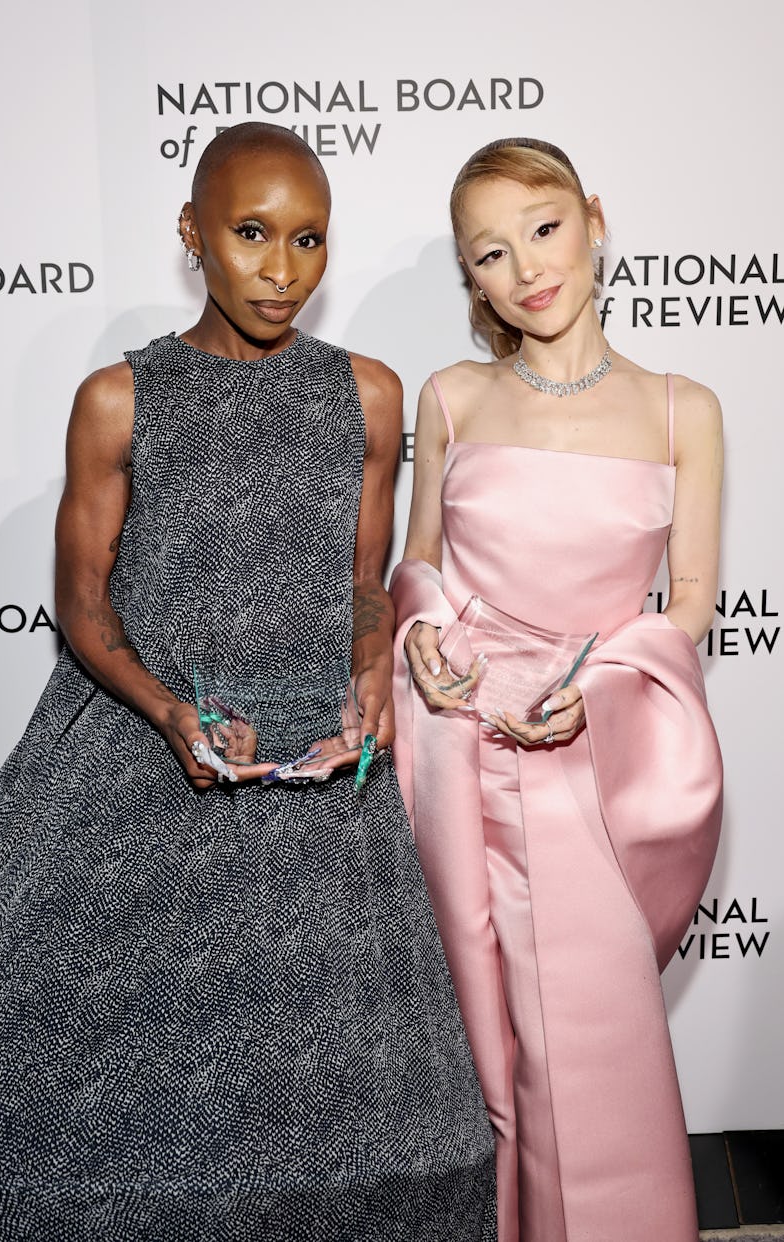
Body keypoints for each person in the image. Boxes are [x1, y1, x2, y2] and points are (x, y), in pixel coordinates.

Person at [0, 122, 495, 1241]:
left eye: (308, 240)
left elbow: (364, 583)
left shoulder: (370, 395)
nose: (282, 269)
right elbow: (86, 606)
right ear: (191, 233)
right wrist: (166, 709)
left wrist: (370, 678)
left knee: (346, 1122)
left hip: (314, 772)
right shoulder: (119, 398)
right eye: (251, 233)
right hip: (144, 748)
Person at [390, 137, 723, 1242]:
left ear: (592, 215)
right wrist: (426, 632)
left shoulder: (685, 409)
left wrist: (610, 684)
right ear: (470, 278)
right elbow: (419, 564)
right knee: (470, 1050)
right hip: (454, 753)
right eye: (490, 253)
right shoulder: (450, 398)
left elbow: (686, 608)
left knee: (591, 1052)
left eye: (542, 228)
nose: (526, 266)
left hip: (583, 756)